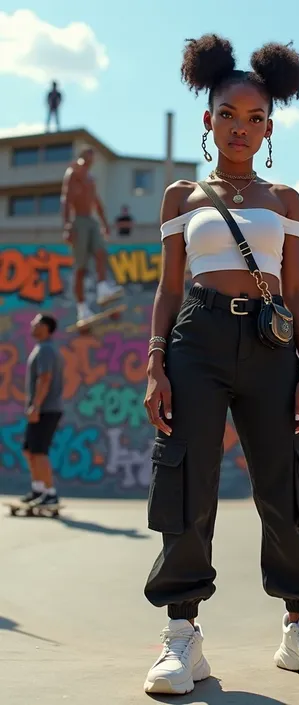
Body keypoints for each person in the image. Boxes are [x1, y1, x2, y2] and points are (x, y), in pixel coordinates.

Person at [142, 34, 299, 696]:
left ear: (269, 125)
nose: (241, 128)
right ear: (209, 119)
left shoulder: (285, 199)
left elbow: (296, 289)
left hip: (272, 348)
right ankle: (183, 637)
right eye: (229, 114)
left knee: (287, 486)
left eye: (255, 117)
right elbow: (168, 289)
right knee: (186, 488)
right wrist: (156, 363)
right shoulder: (181, 196)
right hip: (194, 340)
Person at [61, 148, 123, 323]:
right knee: (81, 268)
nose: (91, 160)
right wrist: (67, 225)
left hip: (91, 220)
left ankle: (103, 288)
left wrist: (104, 224)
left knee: (101, 252)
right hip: (78, 221)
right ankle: (82, 309)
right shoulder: (74, 172)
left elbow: (97, 202)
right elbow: (66, 199)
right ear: (83, 156)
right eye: (89, 156)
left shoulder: (90, 178)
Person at [20, 314, 63, 508]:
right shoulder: (42, 348)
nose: (31, 324)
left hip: (46, 409)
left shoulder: (46, 349)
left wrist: (35, 406)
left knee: (39, 452)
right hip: (41, 409)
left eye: (35, 322)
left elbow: (45, 378)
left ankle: (50, 493)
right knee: (29, 450)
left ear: (45, 327)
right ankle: (38, 489)